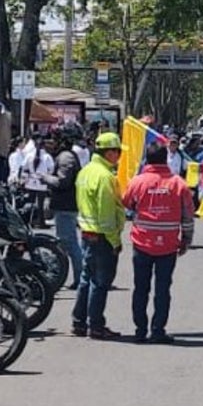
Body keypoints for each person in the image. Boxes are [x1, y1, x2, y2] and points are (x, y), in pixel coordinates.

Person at [123, 142, 195, 345]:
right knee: (163, 289)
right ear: (165, 159)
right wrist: (187, 240)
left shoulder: (137, 181)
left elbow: (126, 203)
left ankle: (139, 330)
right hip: (168, 245)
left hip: (141, 243)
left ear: (147, 158)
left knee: (140, 288)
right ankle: (158, 330)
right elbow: (188, 216)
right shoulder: (179, 184)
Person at [72, 132, 127, 340]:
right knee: (100, 282)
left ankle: (79, 322)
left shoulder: (85, 171)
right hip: (102, 236)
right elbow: (106, 214)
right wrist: (115, 241)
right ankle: (96, 325)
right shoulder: (104, 177)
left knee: (86, 279)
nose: (119, 156)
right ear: (110, 152)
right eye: (118, 151)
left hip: (86, 232)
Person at [42, 125, 84, 289]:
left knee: (70, 243)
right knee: (63, 243)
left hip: (66, 207)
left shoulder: (66, 157)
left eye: (54, 138)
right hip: (64, 206)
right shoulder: (65, 155)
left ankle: (80, 278)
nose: (51, 142)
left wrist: (44, 177)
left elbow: (62, 181)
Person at [21, 133, 54, 228]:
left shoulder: (29, 155)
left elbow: (24, 168)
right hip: (41, 183)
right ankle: (41, 221)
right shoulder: (47, 157)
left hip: (30, 182)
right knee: (40, 204)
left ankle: (28, 221)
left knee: (30, 203)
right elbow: (51, 169)